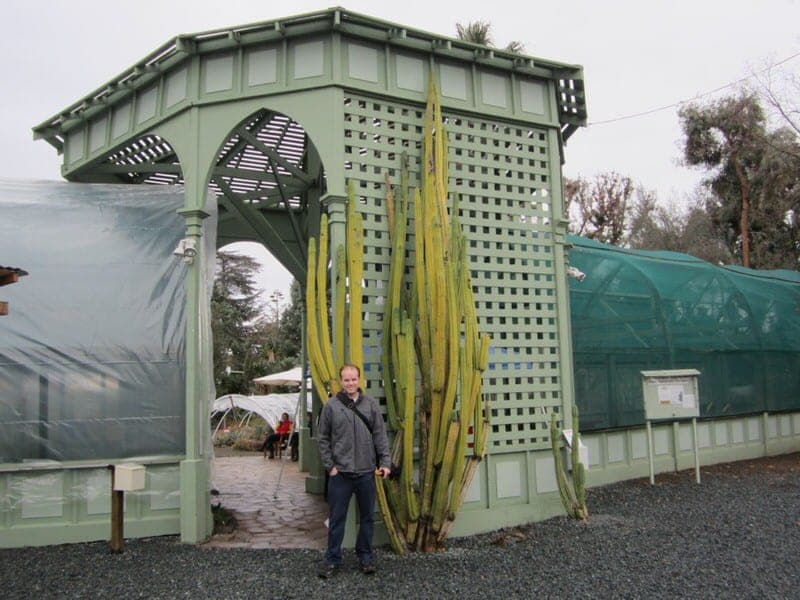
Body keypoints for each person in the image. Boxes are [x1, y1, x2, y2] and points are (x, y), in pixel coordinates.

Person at [317, 364, 391, 578]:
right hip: (341, 474)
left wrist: (385, 462)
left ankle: (365, 557)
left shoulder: (370, 405)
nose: (350, 383)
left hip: (366, 472)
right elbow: (323, 439)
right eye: (346, 380)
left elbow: (380, 435)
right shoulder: (331, 406)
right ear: (341, 381)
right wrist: (330, 466)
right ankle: (332, 560)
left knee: (367, 517)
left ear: (359, 380)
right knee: (337, 518)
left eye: (353, 379)